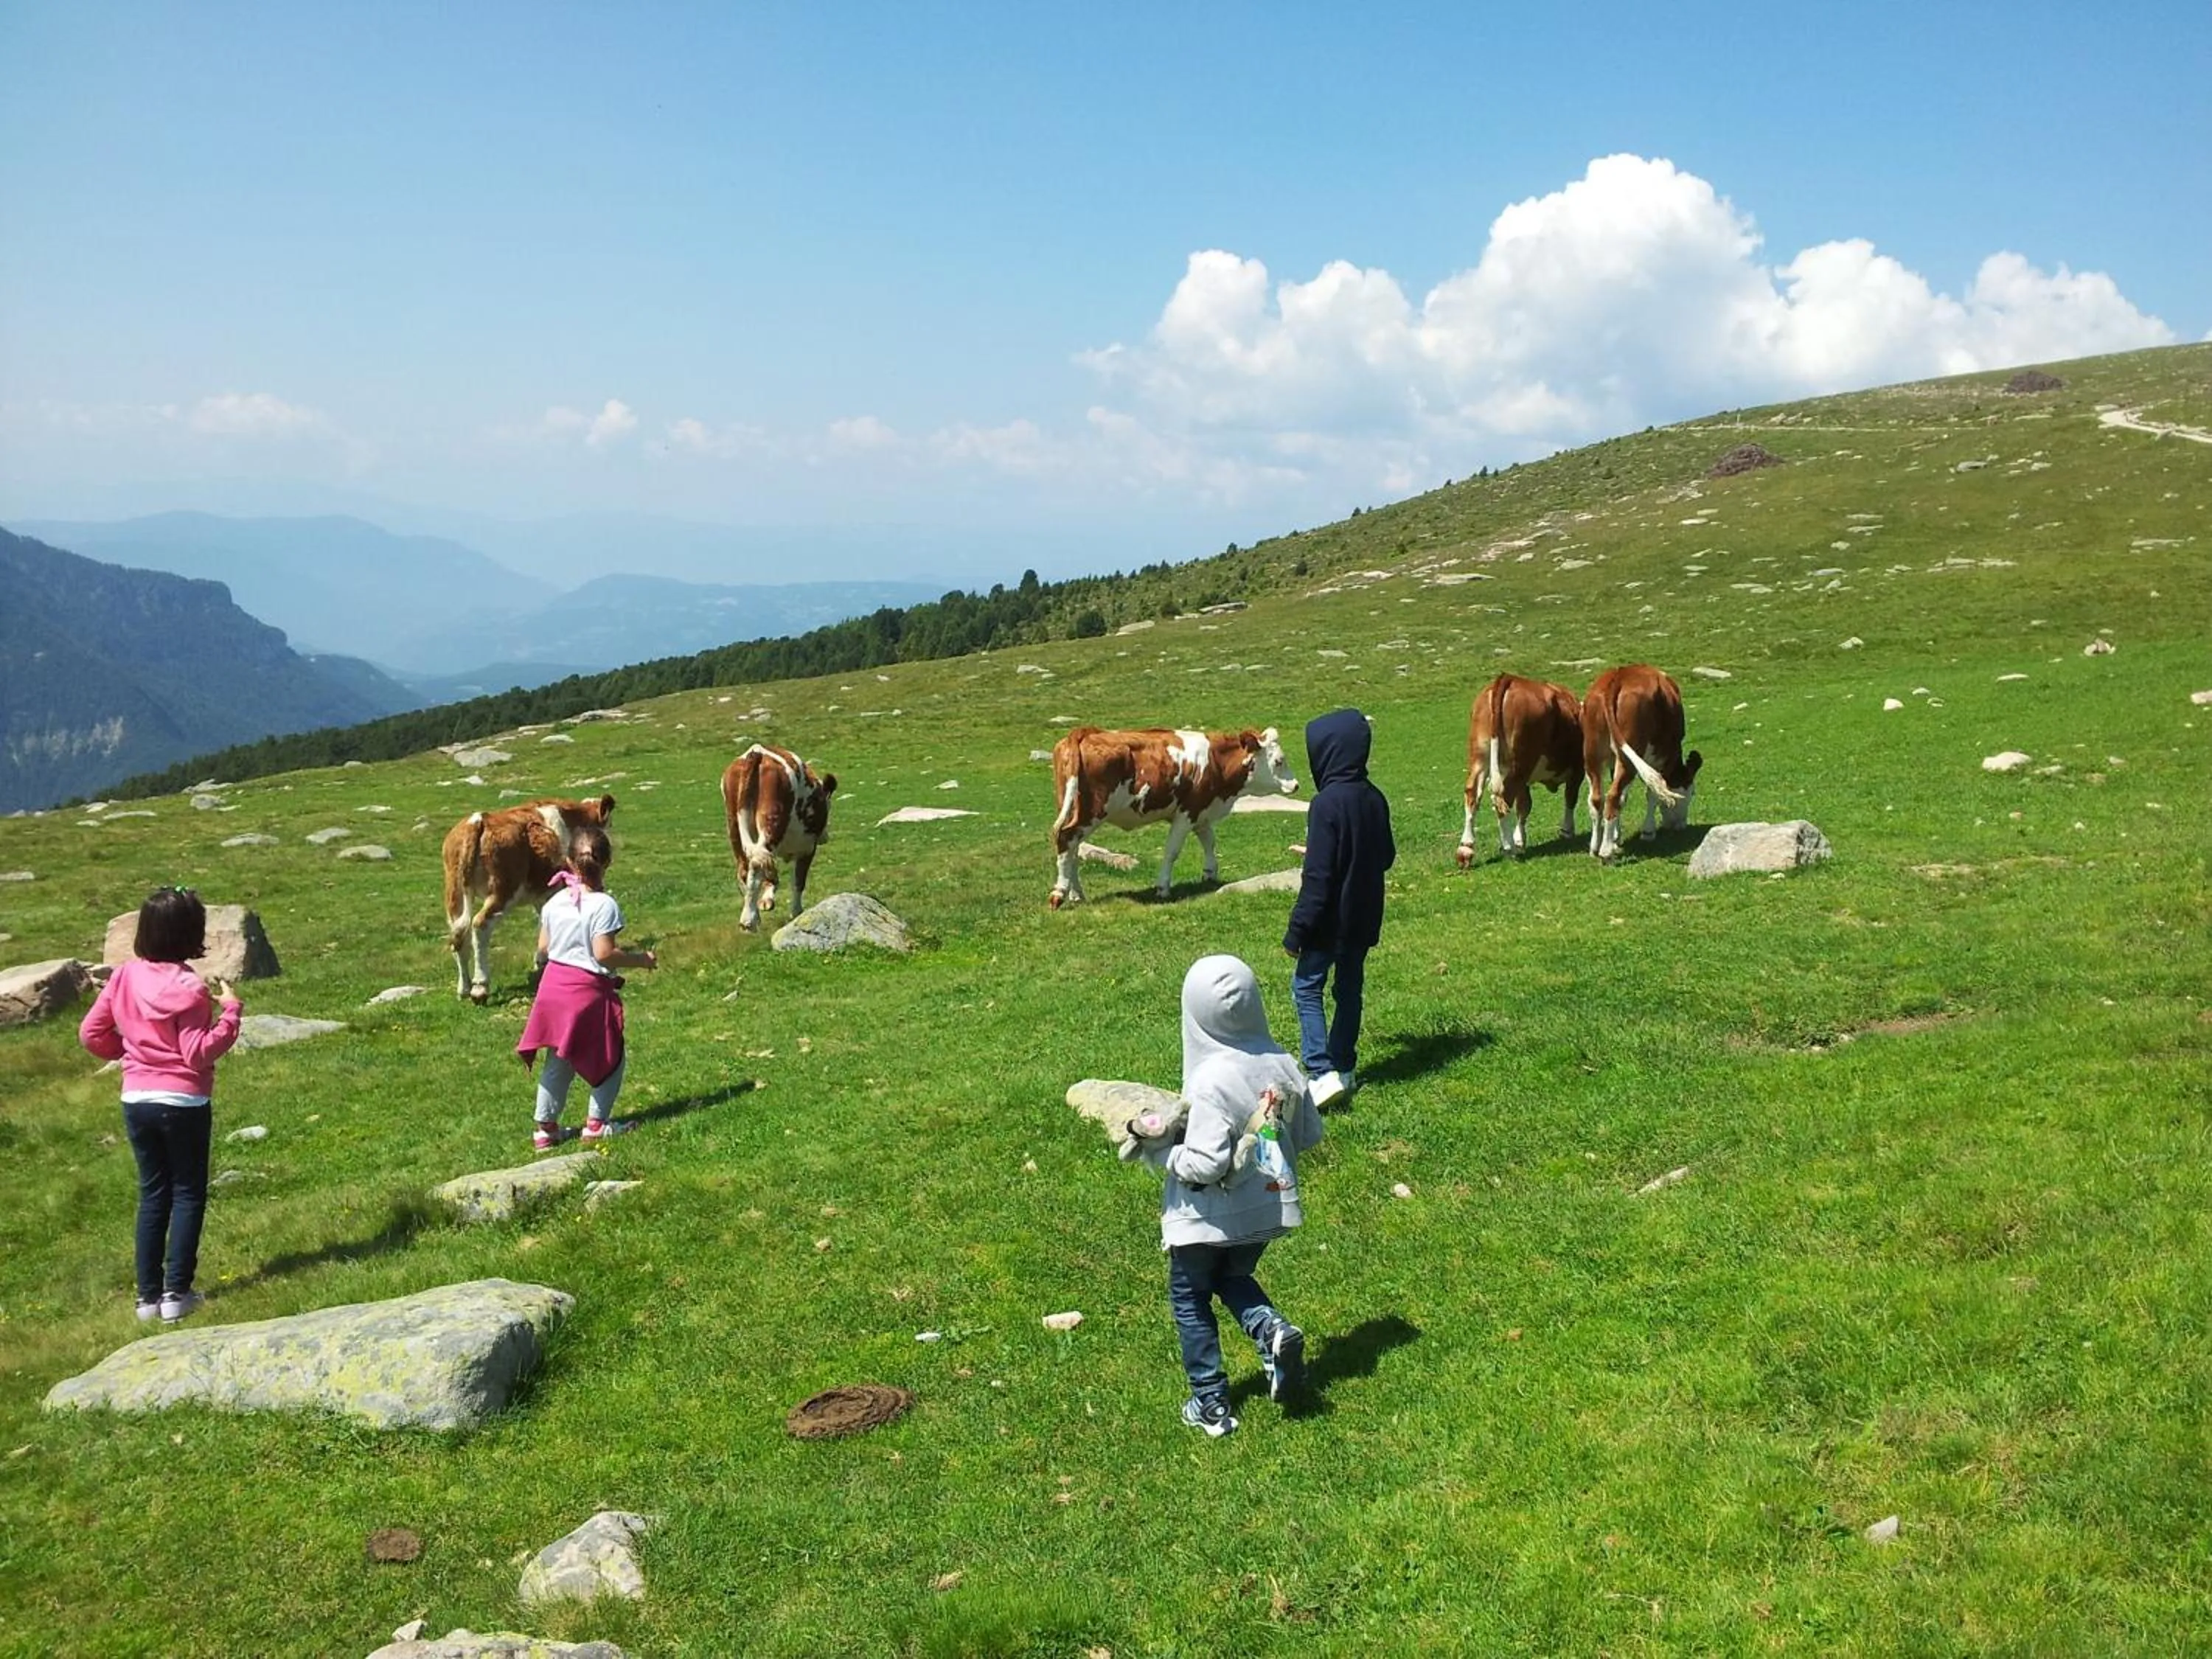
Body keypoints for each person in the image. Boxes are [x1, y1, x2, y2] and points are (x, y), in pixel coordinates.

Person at [1152, 953, 1325, 1438]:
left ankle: (1210, 1405)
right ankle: (1271, 1331)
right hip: (1270, 1207)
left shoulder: (1210, 1079)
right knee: (1231, 1276)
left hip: (1207, 1217)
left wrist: (1160, 1154)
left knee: (1190, 1297)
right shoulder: (1282, 1061)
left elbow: (1204, 1166)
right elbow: (1310, 1133)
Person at [79, 886, 243, 1324]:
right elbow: (198, 1053)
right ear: (192, 933)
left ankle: (146, 1300)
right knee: (188, 1193)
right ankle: (177, 1294)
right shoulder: (190, 989)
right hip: (183, 1100)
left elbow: (91, 1034)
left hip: (136, 1097)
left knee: (153, 1195)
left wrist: (132, 1055)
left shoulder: (124, 976)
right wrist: (230, 1012)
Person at [516, 828, 657, 1149]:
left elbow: (544, 949)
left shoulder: (555, 902)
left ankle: (545, 1128)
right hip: (584, 992)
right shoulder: (604, 905)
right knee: (611, 1057)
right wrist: (642, 959)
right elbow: (604, 953)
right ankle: (596, 1124)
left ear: (568, 861)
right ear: (607, 862)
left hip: (553, 987)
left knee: (560, 1057)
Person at [1283, 708, 1395, 1107]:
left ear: (1327, 753)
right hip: (1363, 918)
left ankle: (1320, 1071)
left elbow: (1319, 880)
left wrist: (1297, 931)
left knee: (1306, 987)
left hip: (1328, 922)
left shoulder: (1326, 804)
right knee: (1349, 990)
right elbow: (1385, 857)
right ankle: (1344, 1067)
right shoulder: (1374, 798)